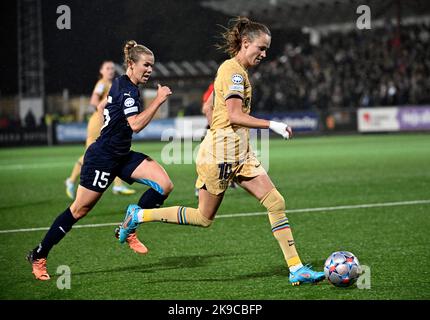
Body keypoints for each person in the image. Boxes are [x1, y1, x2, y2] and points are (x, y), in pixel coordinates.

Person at [118, 17, 325, 286]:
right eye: (260, 48)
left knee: (276, 202)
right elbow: (234, 115)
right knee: (203, 218)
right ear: (245, 43)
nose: (263, 54)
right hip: (219, 155)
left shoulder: (239, 71)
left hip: (240, 154)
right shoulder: (233, 72)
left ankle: (296, 268)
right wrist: (271, 124)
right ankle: (139, 215)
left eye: (266, 50)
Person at [27, 40, 173, 280]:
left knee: (164, 185)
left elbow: (107, 106)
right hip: (102, 157)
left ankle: (128, 227)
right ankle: (39, 255)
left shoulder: (123, 85)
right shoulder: (126, 88)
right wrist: (158, 100)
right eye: (146, 65)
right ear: (131, 64)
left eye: (151, 66)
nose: (149, 70)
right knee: (79, 210)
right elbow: (135, 125)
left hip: (122, 155)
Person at [65, 60, 136, 199]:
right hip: (98, 123)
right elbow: (93, 102)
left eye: (112, 68)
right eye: (107, 68)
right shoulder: (102, 84)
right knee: (91, 154)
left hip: (106, 122)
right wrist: (105, 113)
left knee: (110, 150)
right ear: (101, 71)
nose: (110, 70)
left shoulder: (112, 84)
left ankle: (117, 185)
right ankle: (71, 180)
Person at [194, 82, 237, 197]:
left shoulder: (228, 84)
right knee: (210, 159)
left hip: (223, 128)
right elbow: (205, 108)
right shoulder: (217, 85)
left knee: (227, 156)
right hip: (215, 128)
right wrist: (215, 128)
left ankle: (229, 180)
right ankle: (200, 187)